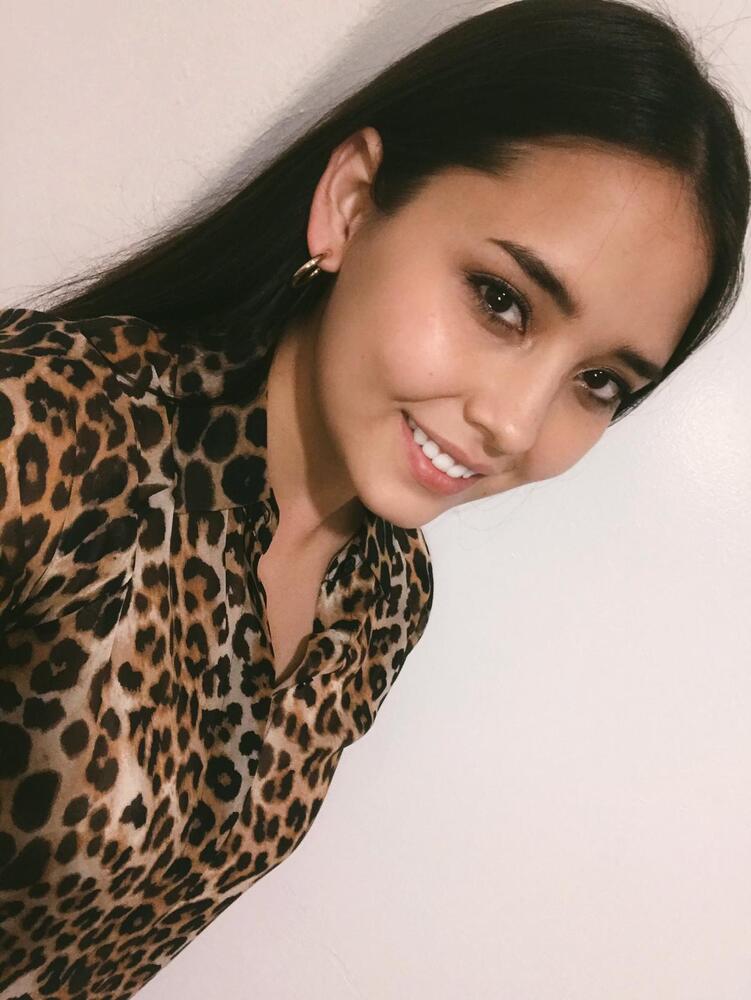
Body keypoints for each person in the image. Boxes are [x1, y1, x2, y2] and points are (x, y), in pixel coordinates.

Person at [0, 0, 748, 996]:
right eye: (501, 300)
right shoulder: (49, 431)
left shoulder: (383, 599)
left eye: (600, 382)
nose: (515, 424)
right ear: (351, 204)